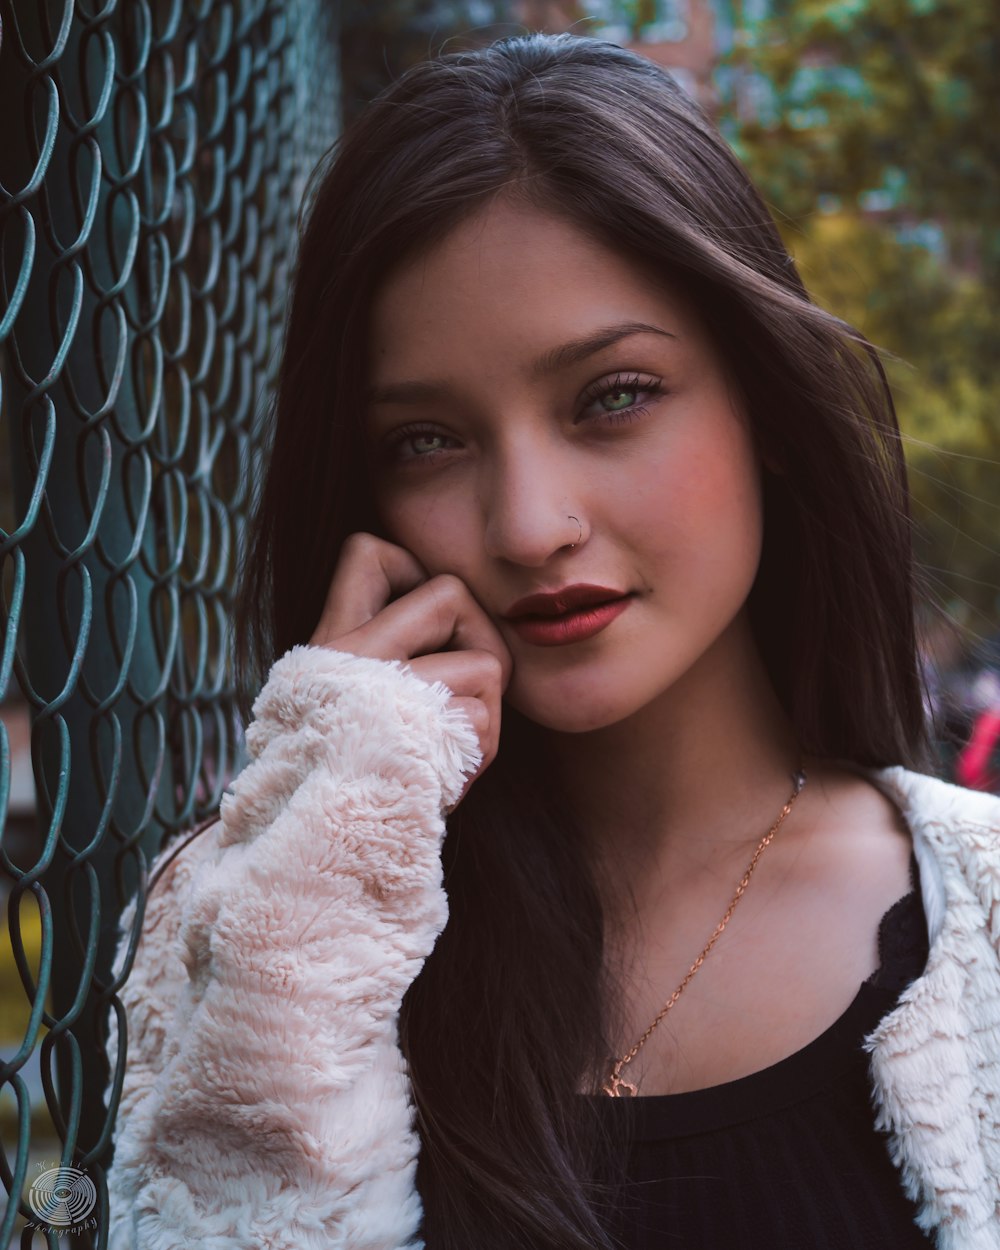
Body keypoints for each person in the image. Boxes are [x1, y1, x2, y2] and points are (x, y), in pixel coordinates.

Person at [104, 32, 1000, 1250]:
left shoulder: (979, 915)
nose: (529, 524)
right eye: (428, 438)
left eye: (611, 396)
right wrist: (340, 815)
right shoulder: (260, 910)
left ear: (767, 408)